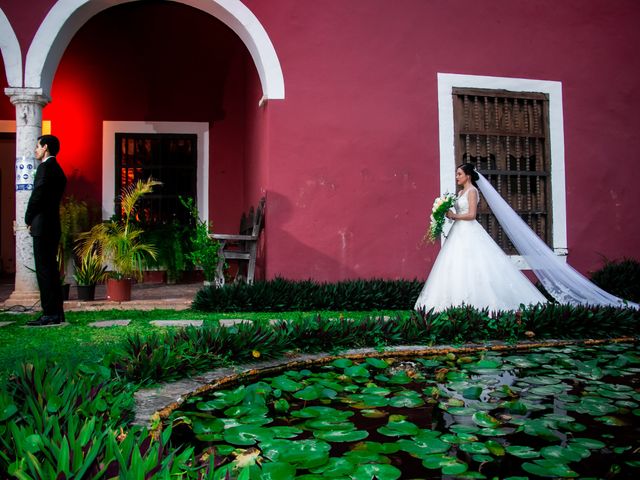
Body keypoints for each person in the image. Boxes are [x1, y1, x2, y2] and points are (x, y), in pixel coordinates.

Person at [414, 163, 547, 312]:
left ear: (468, 176)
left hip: (469, 231)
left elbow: (471, 215)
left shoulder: (472, 191)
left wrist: (455, 215)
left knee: (474, 263)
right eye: (457, 174)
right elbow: (459, 214)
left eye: (459, 174)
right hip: (457, 231)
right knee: (455, 263)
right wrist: (446, 212)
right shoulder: (459, 193)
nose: (457, 177)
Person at [25, 135, 67, 326]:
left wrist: (28, 217)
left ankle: (49, 313)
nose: (36, 150)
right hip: (53, 224)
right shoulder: (58, 170)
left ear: (46, 148)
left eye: (38, 146)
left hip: (42, 225)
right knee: (51, 270)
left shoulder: (44, 168)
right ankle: (57, 313)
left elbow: (38, 195)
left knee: (44, 270)